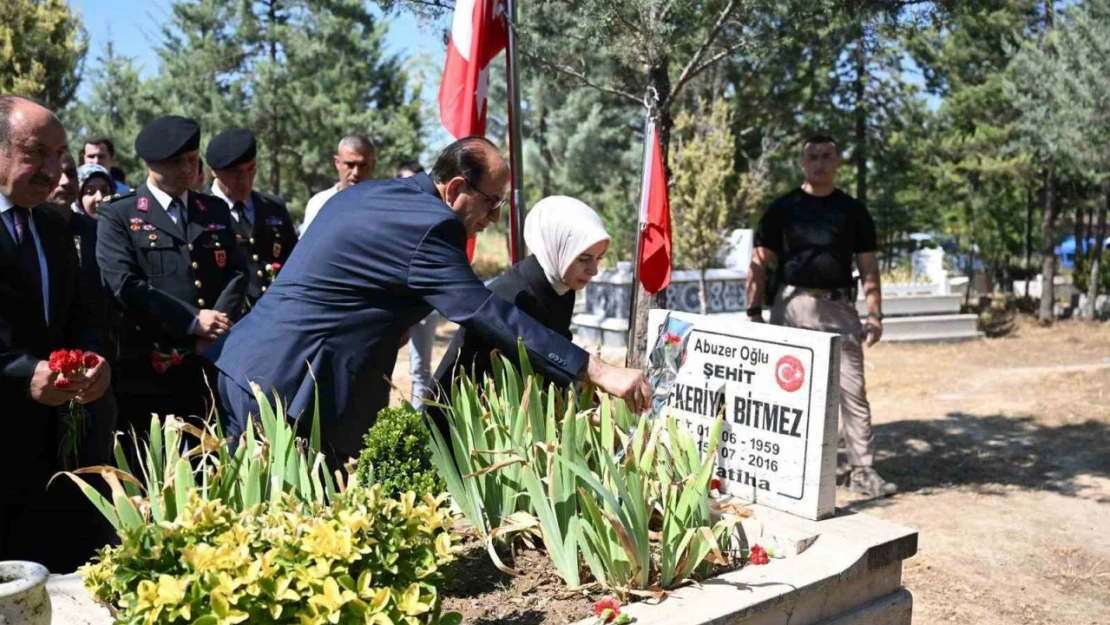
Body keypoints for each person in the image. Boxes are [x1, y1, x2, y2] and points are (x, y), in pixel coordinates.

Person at [207, 137, 651, 463]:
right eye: (493, 203)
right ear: (457, 187)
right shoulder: (432, 229)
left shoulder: (374, 194)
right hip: (288, 388)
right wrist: (597, 370)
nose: (495, 218)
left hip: (249, 366)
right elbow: (484, 311)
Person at [746, 133, 896, 499]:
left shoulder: (853, 211)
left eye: (828, 156)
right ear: (802, 163)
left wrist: (875, 315)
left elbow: (869, 268)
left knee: (853, 390)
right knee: (783, 389)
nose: (820, 163)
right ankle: (784, 466)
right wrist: (753, 311)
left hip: (839, 310)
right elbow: (758, 263)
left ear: (838, 162)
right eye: (813, 156)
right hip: (792, 306)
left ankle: (862, 470)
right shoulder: (783, 208)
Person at [1, 95, 113, 571]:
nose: (54, 170)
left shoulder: (53, 224)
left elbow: (85, 312)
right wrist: (23, 374)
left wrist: (95, 359)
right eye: (36, 153)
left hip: (55, 459)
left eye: (59, 154)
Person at [96, 115, 248, 447]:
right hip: (151, 371)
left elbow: (237, 272)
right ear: (154, 164)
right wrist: (192, 322)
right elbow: (124, 284)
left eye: (193, 160)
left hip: (212, 364)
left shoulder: (213, 211)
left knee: (215, 466)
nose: (188, 169)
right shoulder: (119, 215)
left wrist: (216, 326)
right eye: (178, 162)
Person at [432, 195, 609, 431]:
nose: (594, 270)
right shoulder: (513, 294)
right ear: (556, 249)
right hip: (467, 424)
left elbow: (557, 344)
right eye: (584, 259)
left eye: (598, 259)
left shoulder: (562, 284)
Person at [206, 128, 298, 307]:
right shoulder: (200, 212)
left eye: (251, 169)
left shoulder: (273, 207)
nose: (245, 180)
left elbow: (293, 262)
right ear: (214, 172)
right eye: (234, 173)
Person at [395, 159, 438, 409]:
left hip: (424, 304)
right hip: (393, 304)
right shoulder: (384, 217)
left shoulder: (431, 218)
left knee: (421, 369)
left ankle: (419, 423)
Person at [299, 135, 376, 234]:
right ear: (337, 163)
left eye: (363, 165)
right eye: (350, 165)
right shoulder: (319, 204)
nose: (356, 172)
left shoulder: (385, 205)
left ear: (373, 165)